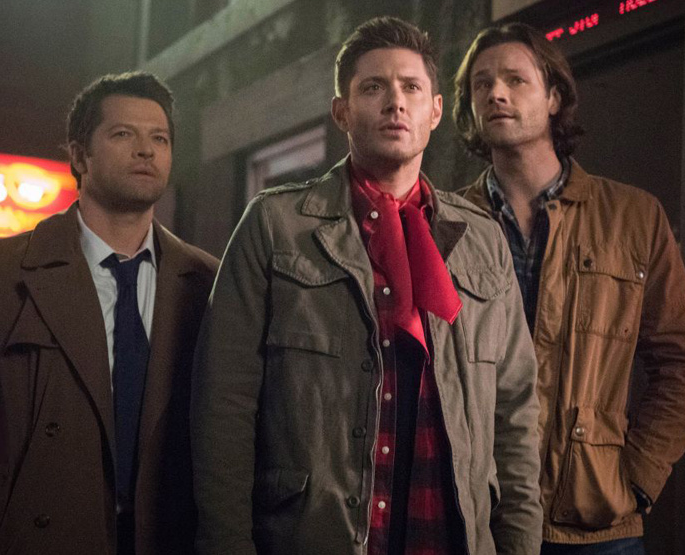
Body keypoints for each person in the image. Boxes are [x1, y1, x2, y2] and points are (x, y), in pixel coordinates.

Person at [191, 16, 542, 555]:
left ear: (435, 112)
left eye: (411, 88)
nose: (395, 102)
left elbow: (515, 412)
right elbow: (224, 403)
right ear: (342, 112)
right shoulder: (276, 226)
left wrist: (518, 545)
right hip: (317, 535)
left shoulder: (481, 239)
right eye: (374, 87)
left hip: (446, 533)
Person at [0, 71, 218, 555]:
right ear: (78, 155)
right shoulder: (0, 272)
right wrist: (7, 518)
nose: (146, 150)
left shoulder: (207, 282)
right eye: (123, 134)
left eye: (159, 138)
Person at [452, 23, 685, 554]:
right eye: (481, 83)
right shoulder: (446, 223)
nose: (496, 93)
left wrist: (635, 480)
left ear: (553, 97)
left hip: (597, 526)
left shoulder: (633, 217)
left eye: (515, 79)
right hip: (477, 517)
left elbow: (682, 363)